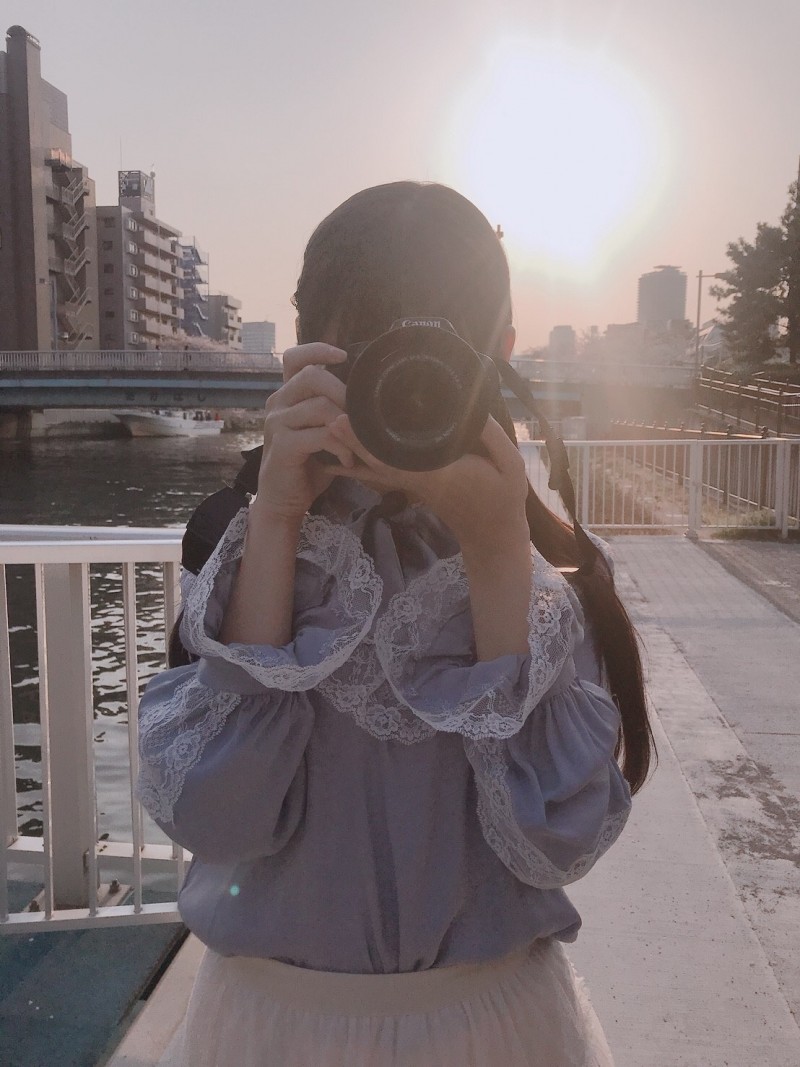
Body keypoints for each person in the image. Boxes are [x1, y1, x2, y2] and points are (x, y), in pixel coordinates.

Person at [137, 181, 655, 1067]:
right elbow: (217, 819)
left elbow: (556, 845)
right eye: (371, 352)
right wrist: (276, 518)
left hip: (491, 1031)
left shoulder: (552, 566)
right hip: (266, 1031)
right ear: (306, 354)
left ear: (500, 355)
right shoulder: (239, 538)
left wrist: (495, 545)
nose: (403, 385)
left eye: (435, 352)